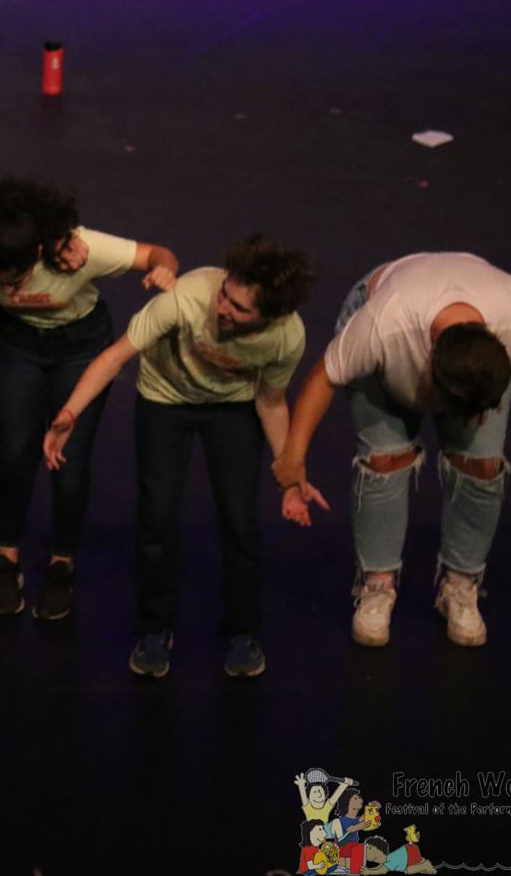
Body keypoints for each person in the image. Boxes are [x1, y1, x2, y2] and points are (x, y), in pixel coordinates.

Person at [42, 235, 319, 680]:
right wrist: (69, 414)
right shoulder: (185, 299)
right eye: (224, 294)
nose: (222, 307)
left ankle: (242, 632)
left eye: (238, 308)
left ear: (269, 316)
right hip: (164, 400)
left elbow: (271, 402)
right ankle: (155, 628)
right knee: (157, 515)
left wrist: (289, 477)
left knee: (240, 522)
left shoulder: (286, 338)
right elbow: (114, 357)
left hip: (231, 407)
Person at [272, 252, 511, 649]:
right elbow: (324, 377)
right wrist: (293, 457)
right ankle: (377, 585)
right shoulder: (382, 327)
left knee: (481, 464)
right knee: (385, 459)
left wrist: (486, 391)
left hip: (470, 353)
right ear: (428, 367)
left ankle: (460, 586)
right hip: (384, 309)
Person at [0, 176, 179, 621]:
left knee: (68, 461)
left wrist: (165, 270)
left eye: (17, 280)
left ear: (37, 251)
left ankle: (62, 563)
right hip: (16, 347)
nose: (10, 289)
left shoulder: (81, 248)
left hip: (80, 347)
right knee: (15, 452)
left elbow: (157, 253)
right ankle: (6, 558)